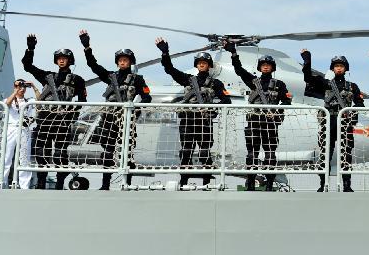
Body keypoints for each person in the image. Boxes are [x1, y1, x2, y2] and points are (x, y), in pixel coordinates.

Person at [79, 30, 152, 190]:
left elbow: (147, 97)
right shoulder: (110, 77)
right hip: (109, 118)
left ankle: (127, 184)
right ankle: (105, 185)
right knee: (107, 151)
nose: (122, 62)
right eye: (120, 60)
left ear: (130, 62)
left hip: (126, 120)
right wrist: (87, 47)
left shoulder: (137, 79)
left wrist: (135, 112)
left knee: (127, 152)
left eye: (125, 60)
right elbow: (93, 66)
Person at [155, 38, 231, 187]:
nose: (202, 64)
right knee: (186, 153)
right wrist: (165, 53)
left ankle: (207, 183)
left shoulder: (216, 83)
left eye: (205, 62)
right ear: (196, 65)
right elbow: (170, 70)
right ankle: (183, 182)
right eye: (199, 62)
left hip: (204, 122)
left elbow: (226, 101)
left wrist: (213, 112)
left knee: (204, 153)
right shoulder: (188, 80)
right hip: (188, 121)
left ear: (209, 65)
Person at [22, 34, 87, 189]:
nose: (61, 60)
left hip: (62, 120)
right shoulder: (47, 76)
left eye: (64, 58)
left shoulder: (78, 80)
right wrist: (30, 48)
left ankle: (59, 183)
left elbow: (82, 101)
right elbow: (27, 66)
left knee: (60, 154)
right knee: (41, 151)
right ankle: (42, 182)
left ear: (70, 60)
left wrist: (72, 116)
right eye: (59, 58)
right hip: (45, 118)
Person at [225, 42, 291, 191]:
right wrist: (233, 54)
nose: (265, 66)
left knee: (270, 155)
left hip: (270, 122)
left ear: (272, 67)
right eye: (263, 64)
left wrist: (276, 113)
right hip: (254, 122)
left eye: (268, 65)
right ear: (260, 67)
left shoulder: (279, 84)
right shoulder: (254, 82)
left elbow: (286, 101)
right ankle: (250, 184)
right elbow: (239, 70)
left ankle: (269, 184)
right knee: (252, 154)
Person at [301, 49, 364, 192]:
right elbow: (308, 78)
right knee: (325, 154)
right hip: (328, 122)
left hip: (345, 123)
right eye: (336, 66)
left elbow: (360, 103)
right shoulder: (325, 83)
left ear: (345, 68)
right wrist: (307, 59)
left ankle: (347, 185)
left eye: (341, 66)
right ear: (333, 69)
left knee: (346, 155)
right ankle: (323, 184)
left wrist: (351, 113)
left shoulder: (352, 86)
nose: (339, 68)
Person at [0, 78, 40, 189]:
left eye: (23, 87)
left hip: (24, 130)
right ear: (15, 87)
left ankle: (24, 186)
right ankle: (2, 183)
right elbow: (7, 104)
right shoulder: (9, 99)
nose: (22, 89)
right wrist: (15, 91)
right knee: (6, 157)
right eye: (19, 87)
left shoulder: (29, 101)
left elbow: (40, 101)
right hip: (11, 128)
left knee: (25, 158)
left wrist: (33, 86)